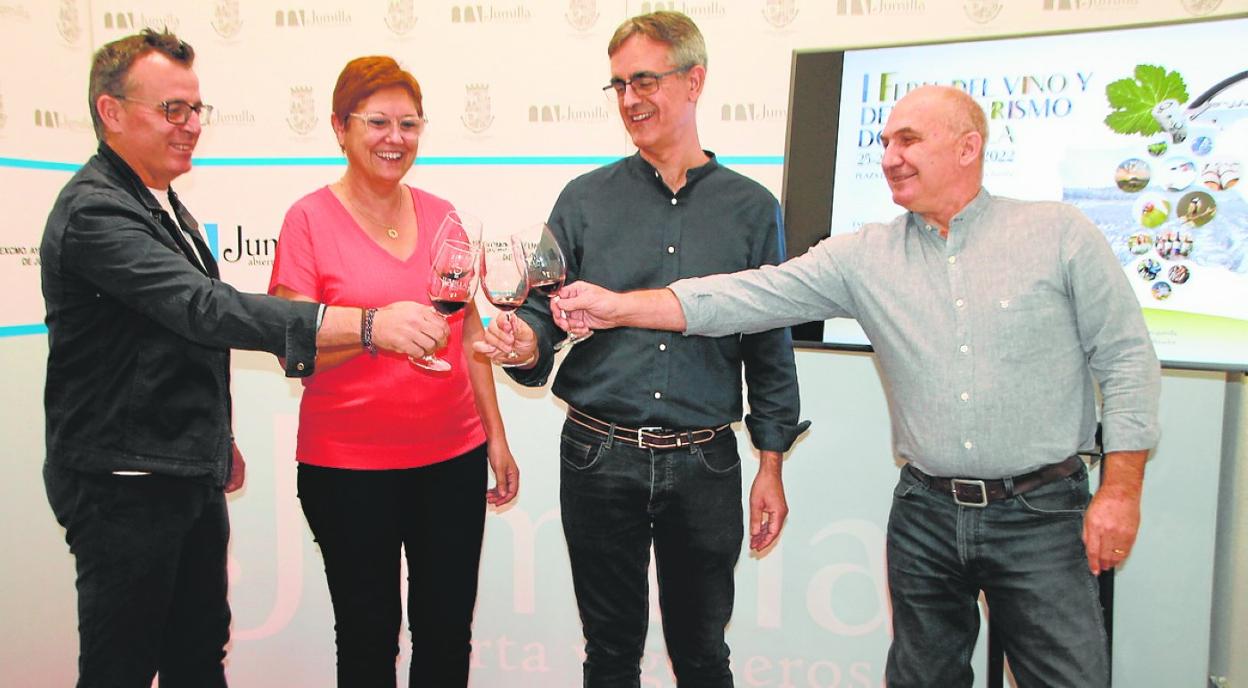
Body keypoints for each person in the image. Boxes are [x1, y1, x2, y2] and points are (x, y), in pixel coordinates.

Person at [553, 85, 1161, 687]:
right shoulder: (864, 255)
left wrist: (1120, 491)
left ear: (968, 146)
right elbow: (741, 297)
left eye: (909, 140)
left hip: (1043, 514)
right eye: (884, 141)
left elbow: (1127, 358)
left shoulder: (1057, 233)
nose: (890, 155)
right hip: (927, 514)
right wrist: (619, 306)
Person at [40, 30, 449, 687]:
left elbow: (174, 341)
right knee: (121, 666)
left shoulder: (159, 204)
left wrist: (215, 439)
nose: (190, 126)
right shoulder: (97, 214)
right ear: (111, 112)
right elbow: (205, 310)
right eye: (172, 109)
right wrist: (368, 325)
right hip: (127, 482)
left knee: (199, 653)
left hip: (181, 468)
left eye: (196, 109)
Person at [475, 11, 807, 687]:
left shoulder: (753, 209)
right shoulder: (583, 199)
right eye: (619, 85)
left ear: (695, 82)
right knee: (610, 653)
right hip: (598, 458)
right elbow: (542, 310)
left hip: (706, 465)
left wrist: (770, 464)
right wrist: (522, 342)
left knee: (704, 656)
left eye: (646, 80)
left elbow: (769, 345)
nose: (630, 100)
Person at [268, 55, 519, 687]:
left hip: (451, 460)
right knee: (367, 637)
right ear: (339, 127)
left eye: (409, 123)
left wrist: (495, 434)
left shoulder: (443, 215)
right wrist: (376, 330)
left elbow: (466, 333)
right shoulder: (307, 220)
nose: (394, 138)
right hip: (347, 470)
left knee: (445, 635)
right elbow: (291, 343)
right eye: (377, 121)